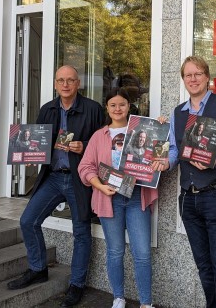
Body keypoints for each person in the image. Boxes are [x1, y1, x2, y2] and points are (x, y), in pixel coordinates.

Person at [152, 56, 216, 308]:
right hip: (188, 198)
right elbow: (174, 150)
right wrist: (166, 163)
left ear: (207, 77)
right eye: (188, 75)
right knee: (204, 267)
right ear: (183, 79)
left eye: (198, 74)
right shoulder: (179, 112)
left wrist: (215, 161)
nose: (193, 79)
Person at [7, 65, 104, 308]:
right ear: (55, 84)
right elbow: (38, 145)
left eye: (70, 80)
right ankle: (38, 268)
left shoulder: (92, 109)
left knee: (81, 232)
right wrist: (26, 151)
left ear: (78, 83)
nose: (65, 84)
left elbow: (105, 143)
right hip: (52, 177)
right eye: (61, 80)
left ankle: (77, 284)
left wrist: (85, 146)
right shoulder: (47, 109)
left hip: (78, 178)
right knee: (28, 221)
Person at [78, 88, 157, 308]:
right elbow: (85, 167)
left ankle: (146, 303)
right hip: (109, 198)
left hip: (135, 198)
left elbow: (158, 150)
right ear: (107, 108)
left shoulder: (141, 131)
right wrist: (100, 186)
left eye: (122, 104)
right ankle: (118, 298)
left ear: (129, 106)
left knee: (141, 253)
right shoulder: (99, 136)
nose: (117, 109)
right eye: (113, 105)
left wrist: (159, 126)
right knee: (115, 251)